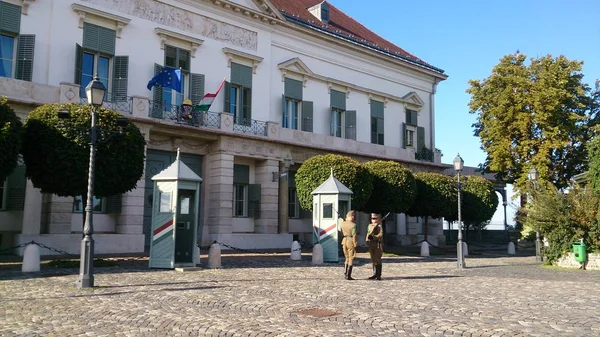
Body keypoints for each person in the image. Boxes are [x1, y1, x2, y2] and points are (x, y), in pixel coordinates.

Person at [340, 210, 358, 280]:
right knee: (351, 258)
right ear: (352, 216)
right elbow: (354, 235)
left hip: (344, 240)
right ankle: (348, 275)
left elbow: (341, 232)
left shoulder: (342, 224)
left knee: (346, 257)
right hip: (350, 241)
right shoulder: (353, 225)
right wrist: (355, 244)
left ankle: (345, 273)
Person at [366, 213, 384, 280]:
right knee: (373, 259)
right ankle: (374, 273)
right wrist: (367, 240)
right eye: (372, 218)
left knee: (377, 259)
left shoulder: (379, 226)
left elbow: (381, 235)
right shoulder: (369, 226)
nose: (373, 220)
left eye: (374, 218)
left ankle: (378, 274)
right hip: (371, 244)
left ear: (377, 219)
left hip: (377, 244)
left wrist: (374, 237)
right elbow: (368, 233)